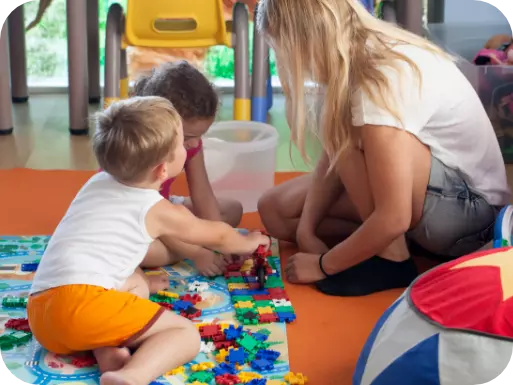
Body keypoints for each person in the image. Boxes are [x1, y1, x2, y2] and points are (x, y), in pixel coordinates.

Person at [256, 0, 511, 296]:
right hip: (427, 201)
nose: (281, 60)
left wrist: (325, 264)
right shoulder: (349, 56)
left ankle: (392, 258)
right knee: (275, 211)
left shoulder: (379, 76)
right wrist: (306, 229)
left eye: (278, 49)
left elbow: (394, 214)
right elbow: (334, 154)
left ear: (301, 40)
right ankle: (391, 242)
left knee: (350, 139)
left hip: (471, 219)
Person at [27, 97, 270, 385]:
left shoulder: (95, 184)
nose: (188, 148)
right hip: (83, 308)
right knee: (184, 334)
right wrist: (248, 241)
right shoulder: (155, 209)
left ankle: (105, 349)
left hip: (42, 316)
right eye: (181, 144)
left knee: (133, 278)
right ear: (162, 171)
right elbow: (217, 234)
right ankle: (131, 376)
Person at [133, 61, 244, 277]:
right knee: (146, 252)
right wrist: (197, 252)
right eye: (189, 137)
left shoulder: (191, 144)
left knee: (232, 210)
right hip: (136, 217)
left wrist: (222, 241)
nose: (195, 143)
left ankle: (187, 242)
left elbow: (202, 193)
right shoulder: (141, 147)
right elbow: (154, 217)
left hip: (163, 206)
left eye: (200, 135)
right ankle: (184, 247)